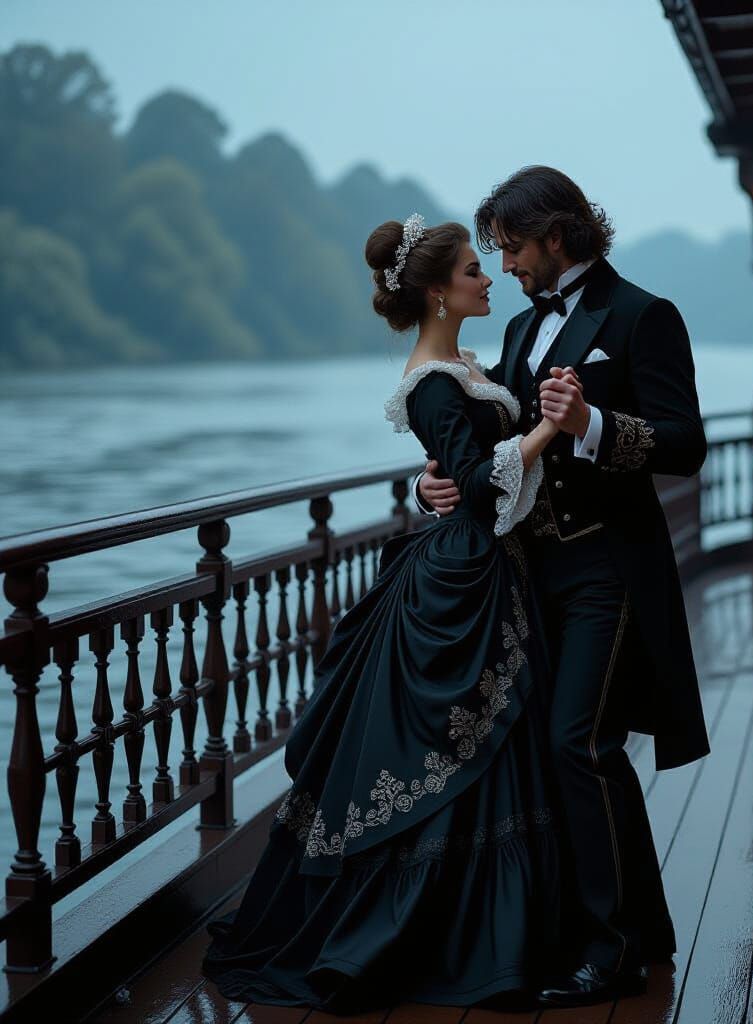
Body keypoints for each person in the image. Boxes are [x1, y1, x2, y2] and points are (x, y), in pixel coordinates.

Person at [202, 216, 571, 1012]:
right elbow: (479, 485)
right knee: (458, 749)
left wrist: (437, 478)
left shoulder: (465, 366)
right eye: (473, 269)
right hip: (464, 574)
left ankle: (504, 930)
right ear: (437, 291)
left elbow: (456, 468)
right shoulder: (431, 381)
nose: (489, 277)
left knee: (492, 745)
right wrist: (549, 424)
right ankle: (453, 938)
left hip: (485, 567)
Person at [416, 166, 710, 1008]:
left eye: (512, 248)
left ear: (556, 234)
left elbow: (686, 445)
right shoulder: (518, 329)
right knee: (579, 752)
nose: (506, 265)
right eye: (496, 252)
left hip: (606, 566)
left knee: (576, 744)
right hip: (525, 575)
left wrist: (592, 425)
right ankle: (642, 929)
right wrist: (434, 485)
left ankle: (610, 955)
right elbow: (496, 446)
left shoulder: (644, 315)